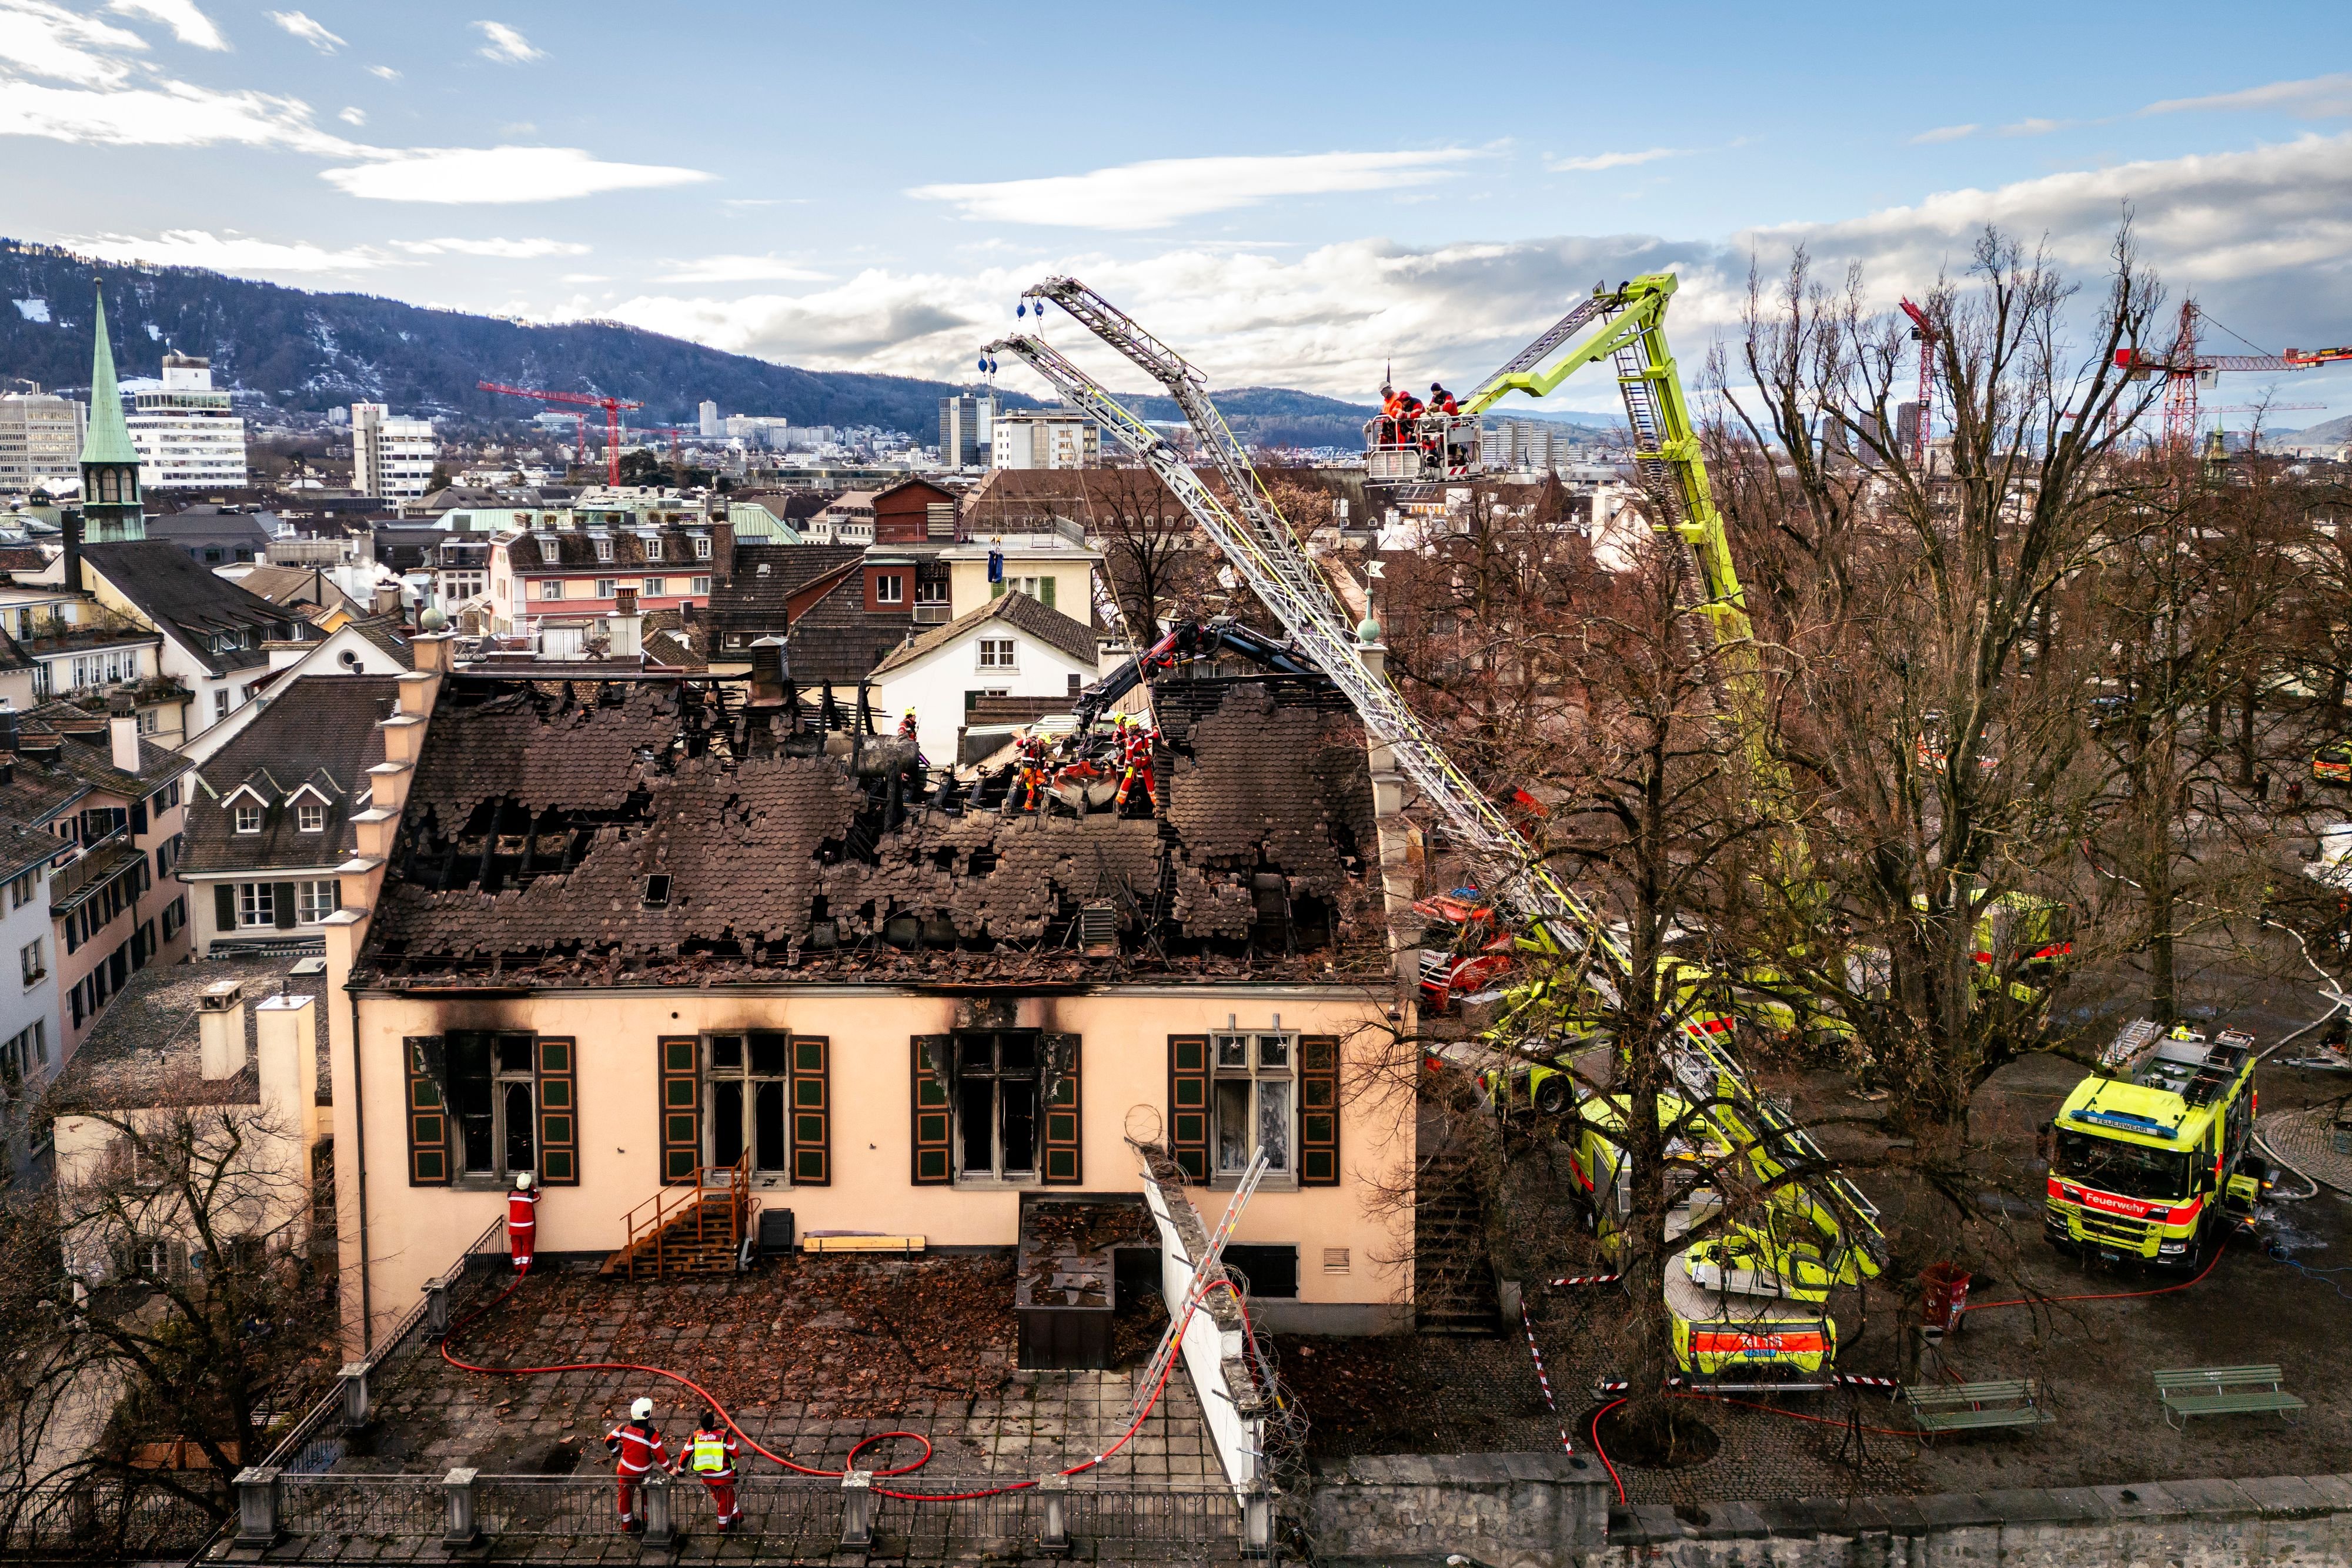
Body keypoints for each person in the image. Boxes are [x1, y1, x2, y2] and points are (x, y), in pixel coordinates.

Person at [606, 1398, 671, 1533]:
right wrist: (670, 1470)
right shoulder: (651, 1435)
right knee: (647, 1497)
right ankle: (649, 1522)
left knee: (624, 1498)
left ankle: (627, 1526)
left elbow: (609, 1441)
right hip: (642, 1473)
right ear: (648, 1415)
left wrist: (617, 1452)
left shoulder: (623, 1428)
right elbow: (661, 1457)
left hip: (624, 1470)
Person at [675, 1409, 743, 1533]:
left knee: (726, 1495)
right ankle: (723, 1526)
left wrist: (680, 1471)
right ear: (713, 1423)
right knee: (724, 1499)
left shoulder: (696, 1437)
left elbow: (685, 1454)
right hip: (725, 1476)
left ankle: (737, 1515)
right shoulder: (723, 1436)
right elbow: (736, 1453)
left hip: (707, 1477)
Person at [506, 1171, 539, 1274]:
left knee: (516, 1245)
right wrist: (534, 1189)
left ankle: (517, 1266)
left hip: (514, 1227)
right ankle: (526, 1266)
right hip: (527, 1227)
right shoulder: (530, 1195)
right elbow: (538, 1198)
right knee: (527, 1246)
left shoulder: (510, 1194)